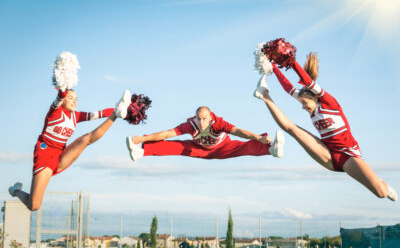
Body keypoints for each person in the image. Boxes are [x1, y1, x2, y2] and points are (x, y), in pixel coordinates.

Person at [253, 52, 397, 201]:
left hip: (347, 155)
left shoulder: (330, 104)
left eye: (304, 103)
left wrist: (292, 62)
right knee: (292, 129)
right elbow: (288, 87)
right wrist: (272, 66)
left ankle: (384, 185)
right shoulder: (310, 105)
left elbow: (308, 82)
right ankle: (264, 94)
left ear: (314, 98)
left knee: (381, 193)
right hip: (327, 153)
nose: (302, 107)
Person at [8, 89, 132, 210]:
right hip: (44, 154)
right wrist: (62, 87)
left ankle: (116, 115)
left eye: (76, 99)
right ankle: (16, 190)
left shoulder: (76, 116)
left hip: (60, 153)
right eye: (70, 98)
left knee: (87, 139)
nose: (74, 101)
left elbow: (100, 113)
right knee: (34, 205)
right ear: (63, 100)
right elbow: (59, 96)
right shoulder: (54, 111)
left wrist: (122, 110)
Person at [126, 106, 284, 161]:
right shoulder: (190, 124)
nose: (201, 122)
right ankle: (141, 151)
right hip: (199, 149)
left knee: (244, 147)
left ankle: (272, 149)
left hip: (223, 148)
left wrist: (258, 137)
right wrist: (142, 138)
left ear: (210, 117)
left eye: (204, 119)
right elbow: (167, 134)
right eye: (198, 119)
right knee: (176, 146)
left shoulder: (219, 123)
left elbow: (238, 131)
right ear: (195, 117)